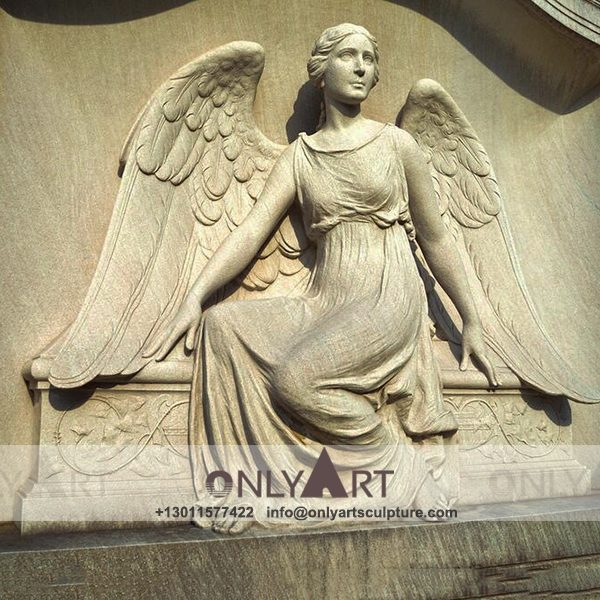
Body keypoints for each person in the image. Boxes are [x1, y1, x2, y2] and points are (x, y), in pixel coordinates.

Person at [148, 23, 497, 533]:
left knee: (297, 381)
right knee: (222, 327)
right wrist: (195, 296)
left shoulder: (397, 144)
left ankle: (397, 465)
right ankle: (259, 485)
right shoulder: (301, 156)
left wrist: (473, 319)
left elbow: (437, 238)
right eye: (348, 56)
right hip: (326, 295)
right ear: (321, 70)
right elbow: (251, 230)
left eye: (369, 59)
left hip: (385, 294)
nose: (361, 67)